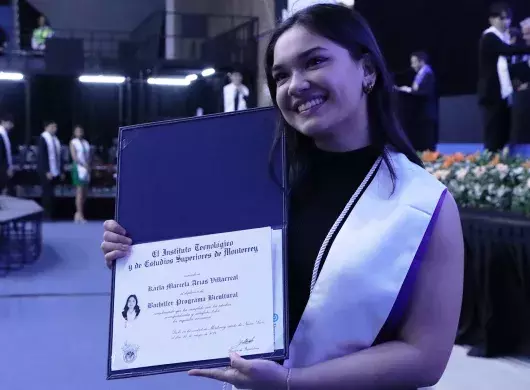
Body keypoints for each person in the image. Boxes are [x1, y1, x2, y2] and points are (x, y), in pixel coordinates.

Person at [101, 4, 464, 390]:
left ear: (367, 70)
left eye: (315, 61)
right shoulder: (256, 182)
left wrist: (293, 382)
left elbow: (425, 356)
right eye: (281, 75)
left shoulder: (423, 205)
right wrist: (137, 257)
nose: (295, 84)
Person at [477, 2, 530, 152]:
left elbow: (510, 68)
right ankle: (490, 163)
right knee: (493, 131)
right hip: (491, 93)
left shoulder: (503, 37)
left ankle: (499, 162)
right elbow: (507, 51)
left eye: (508, 19)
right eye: (502, 18)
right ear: (492, 20)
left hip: (502, 93)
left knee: (502, 130)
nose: (506, 22)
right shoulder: (490, 36)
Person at [397, 51, 438, 151]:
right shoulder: (421, 74)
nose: (412, 65)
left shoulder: (428, 73)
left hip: (426, 113)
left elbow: (426, 93)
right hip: (419, 114)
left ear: (421, 62)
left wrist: (409, 90)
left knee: (427, 142)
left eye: (414, 62)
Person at [37, 121, 61, 220]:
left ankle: (52, 214)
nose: (55, 129)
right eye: (52, 127)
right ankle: (46, 215)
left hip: (55, 170)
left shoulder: (55, 139)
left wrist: (61, 170)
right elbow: (42, 156)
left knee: (52, 194)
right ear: (46, 127)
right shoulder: (43, 138)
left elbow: (58, 156)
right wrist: (46, 171)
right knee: (46, 193)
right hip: (46, 171)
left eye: (55, 127)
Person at [69, 125, 91, 223]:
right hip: (78, 168)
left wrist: (88, 165)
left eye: (81, 131)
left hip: (86, 168)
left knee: (85, 193)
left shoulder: (86, 143)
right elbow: (74, 157)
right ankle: (80, 214)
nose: (79, 133)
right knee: (79, 192)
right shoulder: (73, 142)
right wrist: (83, 164)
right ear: (74, 133)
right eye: (77, 131)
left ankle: (78, 213)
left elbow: (89, 155)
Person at [0, 114, 15, 194]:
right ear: (3, 122)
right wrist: (6, 170)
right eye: (10, 123)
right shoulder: (1, 134)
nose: (12, 126)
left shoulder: (4, 134)